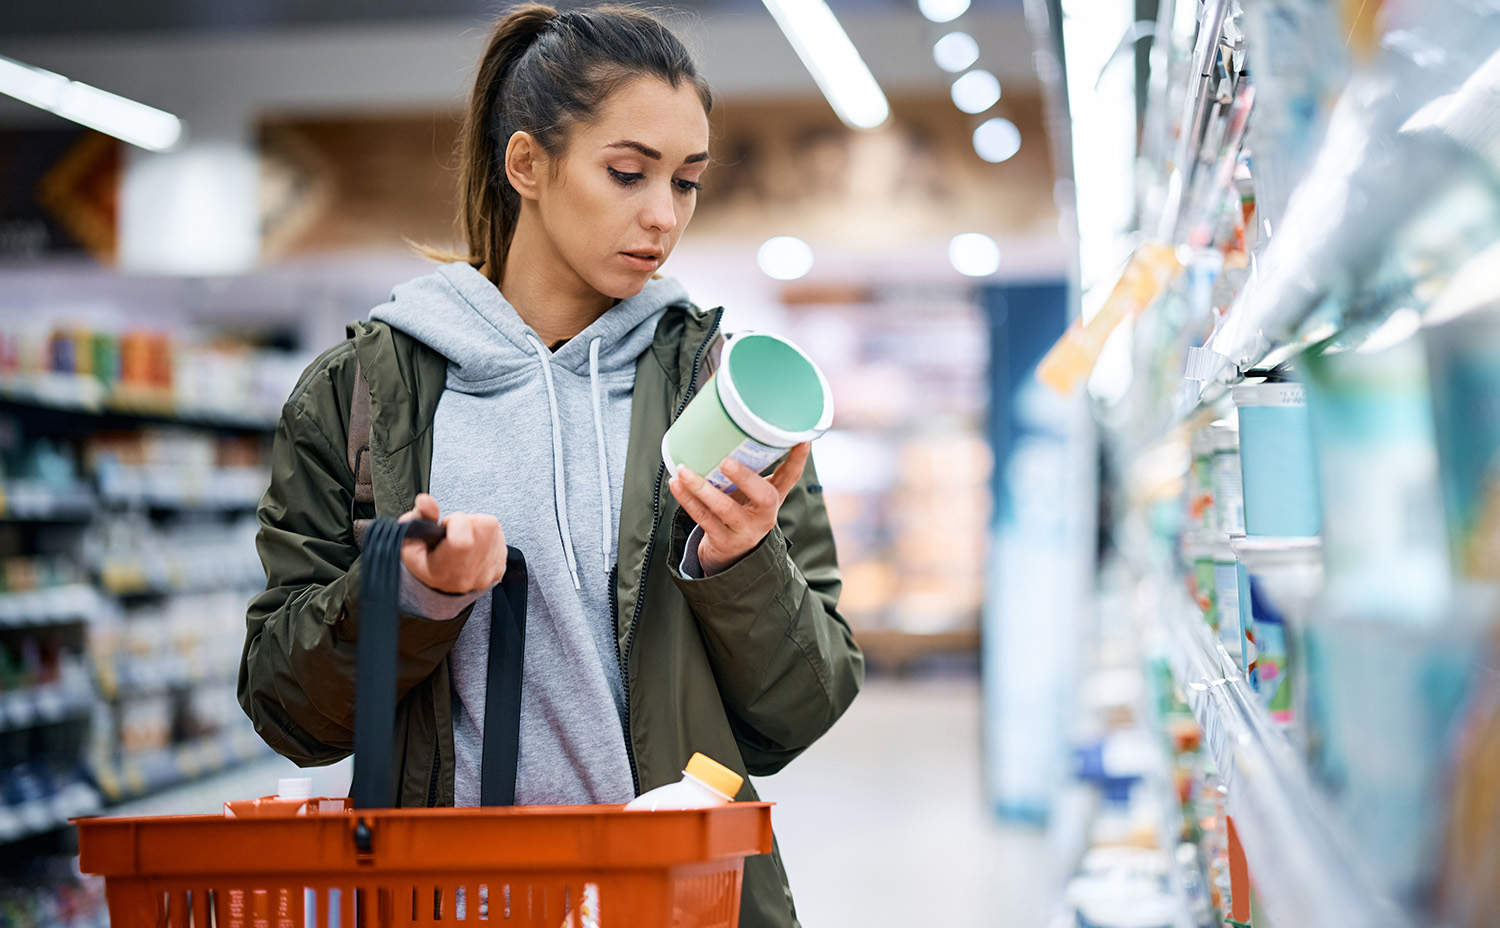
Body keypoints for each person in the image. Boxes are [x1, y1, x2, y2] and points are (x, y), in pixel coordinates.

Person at [238, 5, 864, 926]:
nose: (663, 216)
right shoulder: (363, 394)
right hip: (450, 901)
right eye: (626, 172)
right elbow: (287, 708)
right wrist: (414, 596)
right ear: (526, 163)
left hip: (674, 902)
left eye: (686, 182)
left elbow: (803, 710)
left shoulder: (717, 392)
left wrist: (739, 569)